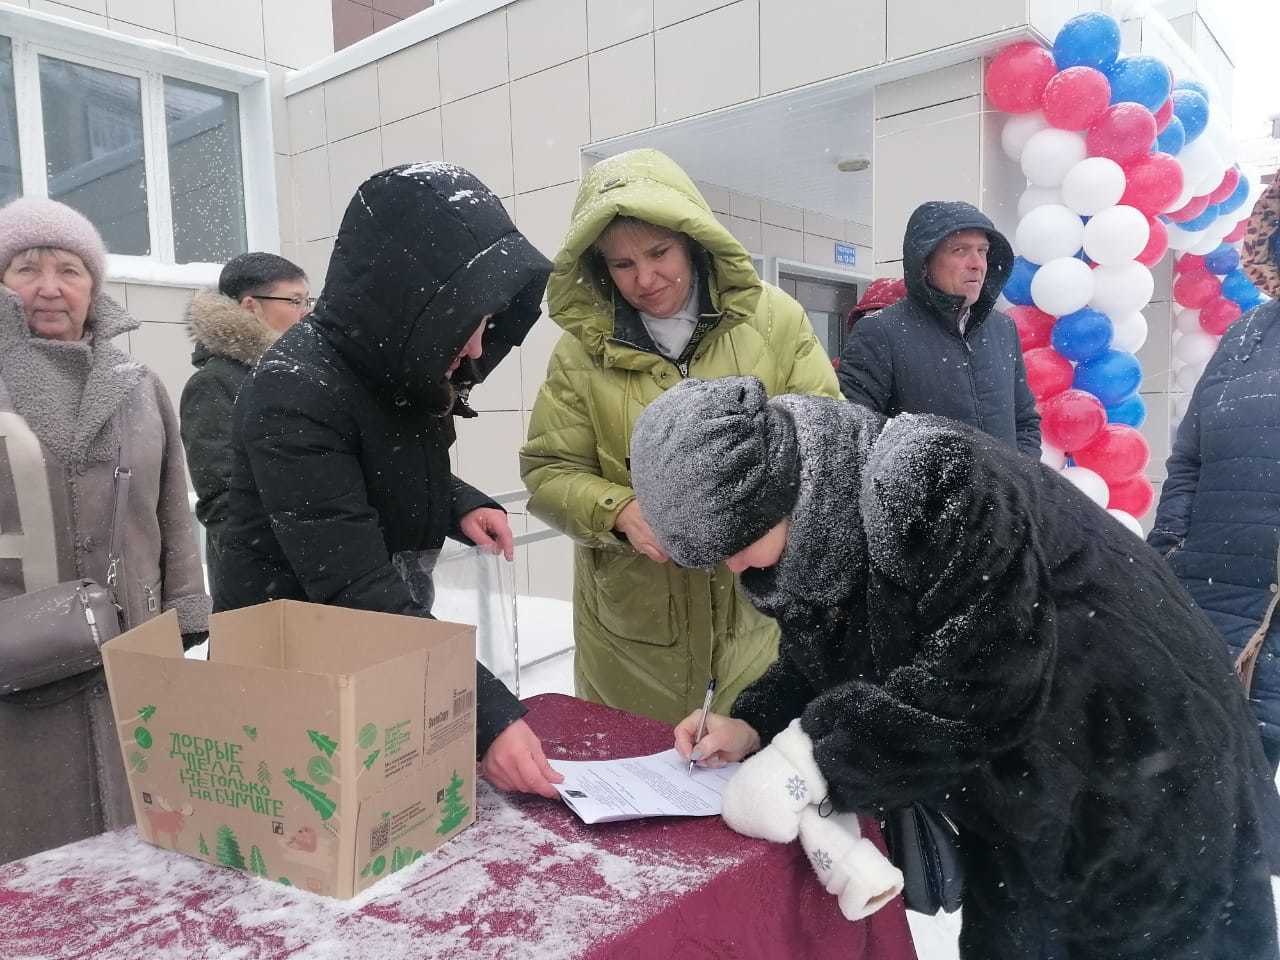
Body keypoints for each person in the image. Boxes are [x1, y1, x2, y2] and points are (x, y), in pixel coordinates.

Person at [629, 375, 1280, 959]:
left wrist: (812, 764)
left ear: (780, 496)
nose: (734, 568)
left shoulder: (935, 481)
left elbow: (985, 681)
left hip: (1149, 776)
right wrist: (755, 721)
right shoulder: (813, 534)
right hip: (1030, 798)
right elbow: (828, 654)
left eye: (735, 548)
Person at [215, 163, 561, 799]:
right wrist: (485, 716)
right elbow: (353, 585)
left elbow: (385, 465)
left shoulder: (398, 365)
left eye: (489, 323)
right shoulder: (296, 390)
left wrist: (457, 502)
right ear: (414, 304)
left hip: (381, 656)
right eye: (468, 323)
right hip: (290, 676)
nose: (480, 348)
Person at [520, 148, 840, 725]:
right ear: (598, 268)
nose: (645, 279)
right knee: (641, 784)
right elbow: (547, 471)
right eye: (621, 264)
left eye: (659, 252)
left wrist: (766, 514)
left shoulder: (774, 320)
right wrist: (618, 511)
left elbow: (826, 440)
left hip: (758, 612)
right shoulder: (579, 353)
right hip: (633, 629)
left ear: (692, 239)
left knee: (748, 772)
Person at [0, 199, 210, 863]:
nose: (50, 286)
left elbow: (171, 505)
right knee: (35, 859)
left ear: (94, 288)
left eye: (70, 269)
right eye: (25, 268)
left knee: (141, 842)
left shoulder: (138, 384)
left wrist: (185, 612)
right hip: (17, 668)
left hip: (133, 655)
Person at [1150, 169, 1280, 772]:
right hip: (1210, 602)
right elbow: (1190, 458)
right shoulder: (1247, 334)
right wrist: (1170, 549)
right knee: (1202, 780)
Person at [837, 201, 1041, 456]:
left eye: (983, 251)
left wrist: (1020, 484)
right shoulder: (880, 333)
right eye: (960, 250)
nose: (977, 263)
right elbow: (854, 441)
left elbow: (1025, 423)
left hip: (1004, 496)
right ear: (924, 262)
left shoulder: (1003, 329)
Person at [180, 252, 310, 605]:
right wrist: (297, 546)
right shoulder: (214, 384)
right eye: (295, 301)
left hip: (316, 574)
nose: (306, 312)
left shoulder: (297, 374)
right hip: (260, 585)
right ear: (251, 306)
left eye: (308, 301)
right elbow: (222, 498)